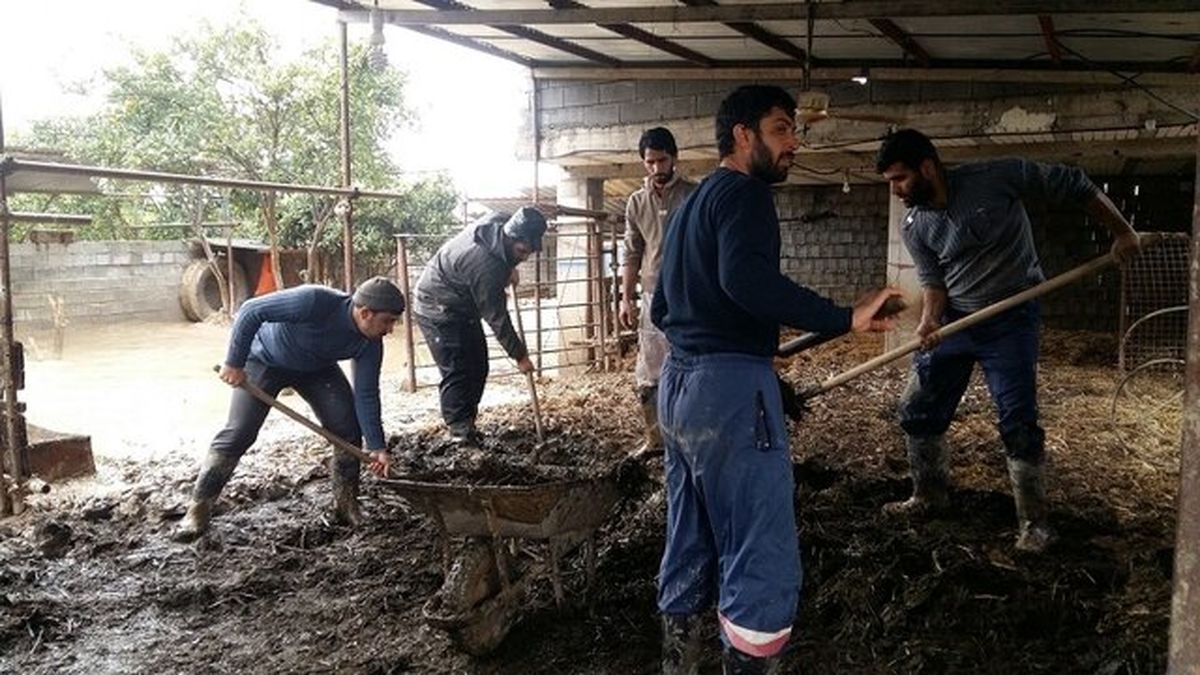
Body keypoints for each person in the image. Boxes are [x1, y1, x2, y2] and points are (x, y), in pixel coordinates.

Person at [651, 84, 901, 674]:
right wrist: (845, 316)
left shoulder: (691, 205)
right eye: (783, 129)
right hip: (727, 394)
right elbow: (746, 282)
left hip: (679, 390)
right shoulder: (744, 196)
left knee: (691, 533)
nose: (795, 143)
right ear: (744, 135)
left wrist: (736, 342)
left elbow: (663, 305)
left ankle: (678, 661)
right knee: (759, 546)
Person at [875, 129, 1142, 553]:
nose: (896, 190)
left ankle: (1034, 523)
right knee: (917, 408)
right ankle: (929, 496)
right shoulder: (917, 224)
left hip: (1011, 320)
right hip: (958, 321)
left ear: (928, 167)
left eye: (900, 179)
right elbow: (933, 281)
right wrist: (929, 323)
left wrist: (1123, 232)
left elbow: (1074, 183)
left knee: (1017, 420)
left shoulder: (995, 178)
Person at [174, 277, 403, 543]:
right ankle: (198, 509)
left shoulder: (370, 342)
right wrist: (234, 362)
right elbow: (251, 310)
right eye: (387, 321)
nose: (390, 329)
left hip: (316, 370)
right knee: (240, 432)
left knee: (347, 430)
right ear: (365, 313)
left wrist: (377, 447)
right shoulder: (314, 301)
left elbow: (366, 394)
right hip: (265, 360)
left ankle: (346, 505)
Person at [411, 206, 545, 444]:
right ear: (510, 237)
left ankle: (468, 422)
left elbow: (505, 258)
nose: (524, 257)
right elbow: (497, 318)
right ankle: (459, 433)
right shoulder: (486, 267)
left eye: (529, 253)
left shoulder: (502, 220)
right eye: (521, 251)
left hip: (461, 303)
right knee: (458, 370)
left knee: (479, 364)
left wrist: (510, 266)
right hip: (437, 306)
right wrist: (520, 356)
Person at [621, 127, 698, 456]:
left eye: (661, 160)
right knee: (650, 370)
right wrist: (626, 298)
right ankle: (655, 440)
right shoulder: (636, 202)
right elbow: (631, 252)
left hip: (690, 293)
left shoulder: (694, 194)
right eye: (649, 162)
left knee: (693, 362)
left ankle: (692, 438)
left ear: (674, 158)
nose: (656, 168)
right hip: (653, 294)